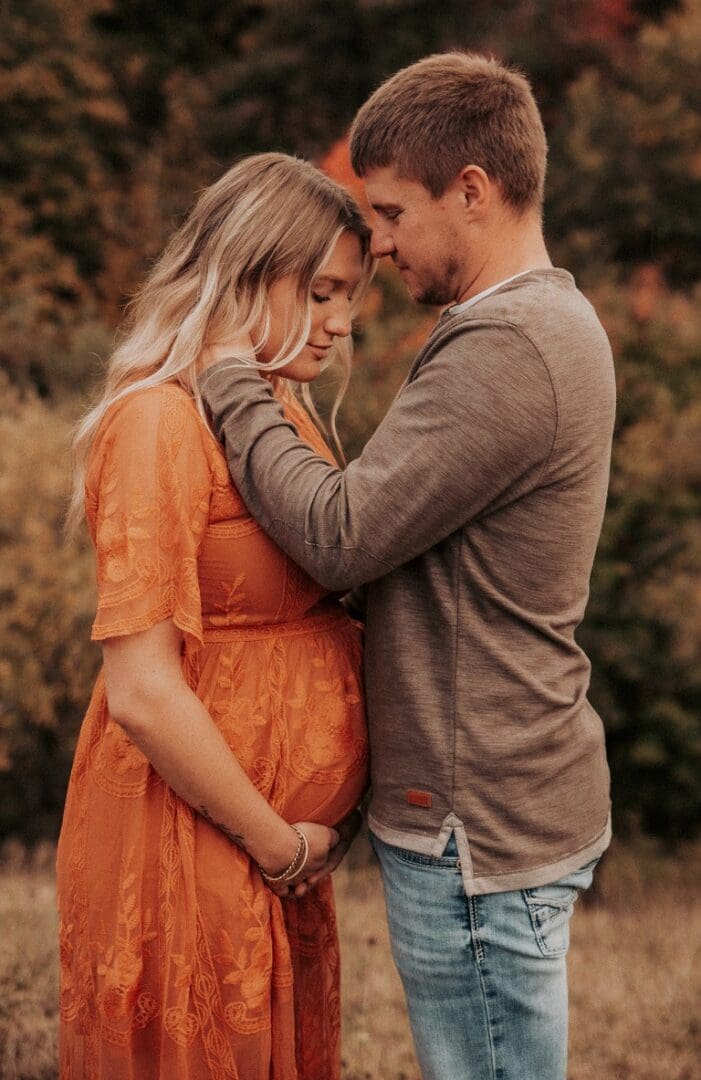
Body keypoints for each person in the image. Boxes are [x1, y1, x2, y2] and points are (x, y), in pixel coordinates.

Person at [197, 53, 617, 1080]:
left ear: (470, 191)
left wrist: (229, 381)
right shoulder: (536, 327)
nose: (376, 245)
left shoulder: (507, 346)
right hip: (500, 802)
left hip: (473, 823)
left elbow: (342, 533)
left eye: (388, 213)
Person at [56, 152, 374, 1080]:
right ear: (246, 271)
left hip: (270, 850)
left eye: (351, 296)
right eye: (320, 291)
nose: (341, 322)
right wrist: (278, 845)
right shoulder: (158, 420)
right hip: (193, 836)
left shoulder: (285, 414)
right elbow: (143, 692)